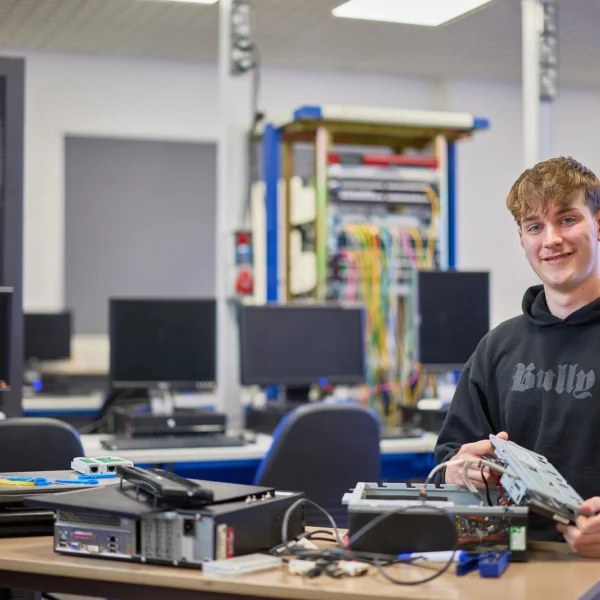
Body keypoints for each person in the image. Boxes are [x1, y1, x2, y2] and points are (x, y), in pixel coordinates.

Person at [434, 157, 600, 556]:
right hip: (512, 560)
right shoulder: (497, 347)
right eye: (535, 226)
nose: (551, 239)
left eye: (567, 219)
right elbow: (448, 457)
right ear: (522, 240)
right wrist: (459, 472)